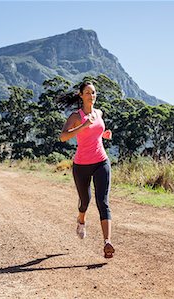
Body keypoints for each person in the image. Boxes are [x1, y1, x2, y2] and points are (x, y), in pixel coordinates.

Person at [58, 81, 115, 259]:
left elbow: (96, 133)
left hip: (101, 162)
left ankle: (107, 242)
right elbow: (63, 137)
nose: (92, 96)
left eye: (94, 92)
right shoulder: (76, 116)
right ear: (81, 95)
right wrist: (83, 126)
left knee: (102, 201)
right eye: (88, 93)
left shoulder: (99, 113)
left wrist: (103, 134)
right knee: (85, 201)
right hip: (81, 165)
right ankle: (81, 219)